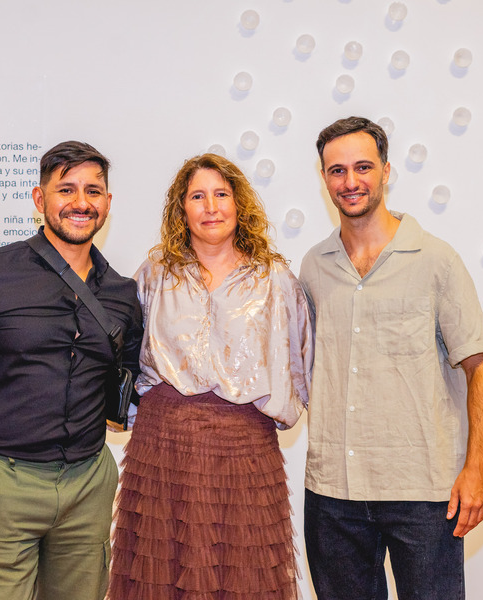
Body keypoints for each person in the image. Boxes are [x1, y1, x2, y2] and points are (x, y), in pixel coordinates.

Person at [0, 141, 143, 600]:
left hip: (88, 486)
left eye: (93, 191)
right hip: (0, 482)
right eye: (66, 189)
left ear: (107, 204)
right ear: (40, 200)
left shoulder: (122, 293)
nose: (80, 202)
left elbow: (128, 380)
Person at [300, 116, 483, 600]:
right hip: (333, 495)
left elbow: (481, 370)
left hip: (424, 493)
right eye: (337, 170)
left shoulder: (435, 259)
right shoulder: (312, 267)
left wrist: (477, 470)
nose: (351, 182)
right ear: (324, 178)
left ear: (386, 171)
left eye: (363, 167)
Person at [108, 153, 313, 600]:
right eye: (197, 196)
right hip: (164, 445)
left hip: (243, 446)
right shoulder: (155, 274)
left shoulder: (274, 277)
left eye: (221, 194)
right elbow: (127, 352)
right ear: (182, 208)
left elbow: (298, 361)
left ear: (239, 204)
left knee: (245, 571)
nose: (211, 206)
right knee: (159, 571)